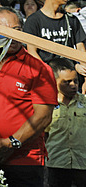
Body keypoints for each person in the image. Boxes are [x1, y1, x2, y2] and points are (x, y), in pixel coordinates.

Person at [0, 7, 57, 187]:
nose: (14, 36)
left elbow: (43, 116)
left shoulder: (38, 69)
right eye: (6, 30)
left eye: (17, 30)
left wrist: (13, 143)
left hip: (25, 161)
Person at [24, 0, 86, 76]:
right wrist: (48, 74)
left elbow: (81, 49)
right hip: (46, 76)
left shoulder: (71, 19)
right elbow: (32, 52)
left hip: (71, 76)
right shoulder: (34, 21)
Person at [46, 58, 86, 187]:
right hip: (56, 163)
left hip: (83, 164)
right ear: (54, 82)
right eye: (67, 82)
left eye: (75, 81)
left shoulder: (84, 103)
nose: (73, 85)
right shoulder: (47, 106)